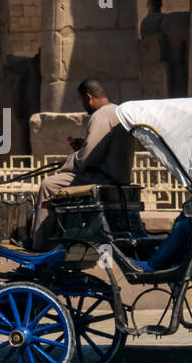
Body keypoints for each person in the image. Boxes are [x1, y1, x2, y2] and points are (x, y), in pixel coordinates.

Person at [30, 78, 132, 251]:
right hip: (116, 176)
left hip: (103, 178)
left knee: (49, 185)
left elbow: (87, 158)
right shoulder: (118, 111)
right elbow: (99, 148)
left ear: (88, 97)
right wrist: (83, 144)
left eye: (82, 101)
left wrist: (67, 160)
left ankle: (41, 245)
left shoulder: (100, 116)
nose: (84, 105)